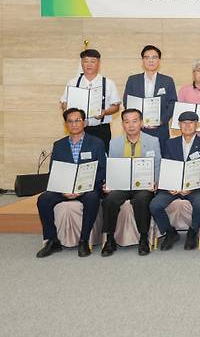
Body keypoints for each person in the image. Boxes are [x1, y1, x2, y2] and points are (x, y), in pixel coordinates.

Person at [36, 108, 106, 258]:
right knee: (43, 199)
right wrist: (63, 189)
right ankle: (52, 240)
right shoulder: (59, 145)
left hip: (87, 188)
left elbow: (102, 170)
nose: (74, 124)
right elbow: (54, 171)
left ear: (84, 122)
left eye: (77, 120)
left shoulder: (97, 143)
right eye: (70, 121)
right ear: (66, 124)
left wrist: (84, 187)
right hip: (64, 188)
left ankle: (84, 240)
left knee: (92, 198)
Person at [100, 108, 161, 257]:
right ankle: (110, 239)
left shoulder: (153, 141)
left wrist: (155, 182)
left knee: (142, 199)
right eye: (127, 122)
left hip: (144, 185)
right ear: (123, 124)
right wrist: (109, 183)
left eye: (135, 121)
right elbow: (112, 167)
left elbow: (157, 165)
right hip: (122, 185)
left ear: (141, 123)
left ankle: (143, 238)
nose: (131, 125)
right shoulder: (115, 143)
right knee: (109, 200)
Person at [149, 111, 200, 251]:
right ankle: (170, 232)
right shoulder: (170, 143)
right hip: (172, 187)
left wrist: (190, 187)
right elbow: (167, 166)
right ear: (179, 125)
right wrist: (171, 185)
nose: (187, 126)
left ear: (197, 124)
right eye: (184, 123)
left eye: (191, 123)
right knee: (155, 205)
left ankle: (192, 232)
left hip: (195, 187)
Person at [60, 49, 121, 153]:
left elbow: (116, 107)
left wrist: (104, 112)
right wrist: (67, 107)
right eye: (86, 61)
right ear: (81, 63)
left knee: (101, 156)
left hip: (101, 129)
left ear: (98, 63)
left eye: (92, 61)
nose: (89, 64)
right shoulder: (73, 83)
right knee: (79, 156)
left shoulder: (108, 83)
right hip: (78, 128)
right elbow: (63, 103)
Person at [123, 45, 177, 152]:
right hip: (137, 129)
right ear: (142, 60)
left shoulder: (167, 81)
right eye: (147, 57)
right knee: (138, 157)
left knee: (160, 157)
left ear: (159, 60)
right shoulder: (133, 80)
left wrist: (161, 121)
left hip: (160, 130)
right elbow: (127, 102)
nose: (151, 60)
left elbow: (172, 104)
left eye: (154, 57)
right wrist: (137, 121)